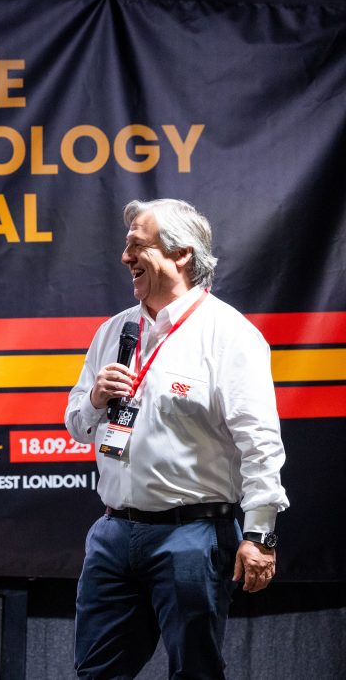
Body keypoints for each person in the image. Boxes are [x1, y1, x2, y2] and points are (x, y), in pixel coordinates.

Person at [65, 198, 289, 679]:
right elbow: (78, 426)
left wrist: (260, 535)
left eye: (137, 245)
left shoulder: (229, 335)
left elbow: (260, 443)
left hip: (193, 536)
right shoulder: (113, 331)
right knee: (95, 673)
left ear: (181, 254)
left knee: (195, 673)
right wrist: (95, 400)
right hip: (113, 534)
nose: (125, 256)